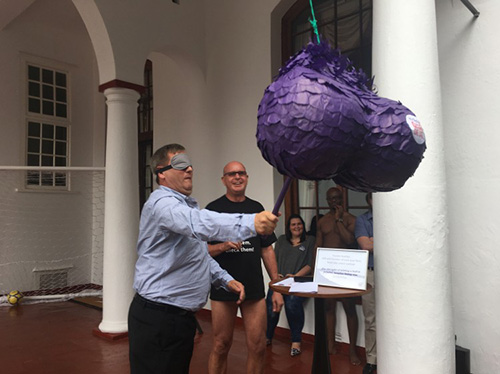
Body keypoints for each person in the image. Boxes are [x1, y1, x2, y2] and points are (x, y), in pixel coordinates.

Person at [128, 144, 279, 374]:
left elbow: (196, 255)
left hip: (179, 318)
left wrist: (225, 279)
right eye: (180, 164)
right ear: (161, 173)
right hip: (158, 318)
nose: (189, 169)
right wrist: (251, 223)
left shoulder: (182, 205)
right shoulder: (162, 204)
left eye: (190, 164)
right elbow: (198, 223)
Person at [206, 161, 284, 374]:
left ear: (247, 178)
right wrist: (222, 246)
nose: (237, 177)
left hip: (253, 288)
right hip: (223, 287)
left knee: (258, 346)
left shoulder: (256, 209)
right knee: (221, 345)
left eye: (241, 173)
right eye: (231, 174)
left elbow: (266, 249)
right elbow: (201, 251)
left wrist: (276, 287)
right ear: (224, 180)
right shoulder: (213, 210)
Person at [315, 187, 360, 365]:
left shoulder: (351, 219)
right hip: (327, 269)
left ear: (342, 199)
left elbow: (349, 240)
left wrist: (339, 219)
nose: (334, 202)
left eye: (337, 198)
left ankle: (353, 351)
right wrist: (315, 271)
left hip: (346, 269)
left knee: (350, 309)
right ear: (327, 201)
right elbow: (317, 246)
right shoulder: (322, 221)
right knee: (328, 307)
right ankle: (330, 344)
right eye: (331, 199)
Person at [265, 214, 315, 356]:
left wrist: (295, 276)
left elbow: (310, 264)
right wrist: (276, 276)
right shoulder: (281, 240)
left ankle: (296, 341)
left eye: (299, 224)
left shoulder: (310, 240)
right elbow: (273, 259)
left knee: (292, 303)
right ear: (288, 227)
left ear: (303, 226)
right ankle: (267, 336)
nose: (297, 227)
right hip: (281, 282)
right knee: (271, 303)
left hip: (300, 282)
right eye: (293, 224)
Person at [355, 193, 376, 374]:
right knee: (370, 319)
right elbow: (365, 246)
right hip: (370, 274)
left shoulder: (392, 219)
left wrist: (372, 240)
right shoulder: (362, 220)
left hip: (393, 275)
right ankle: (372, 359)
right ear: (369, 200)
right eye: (373, 197)